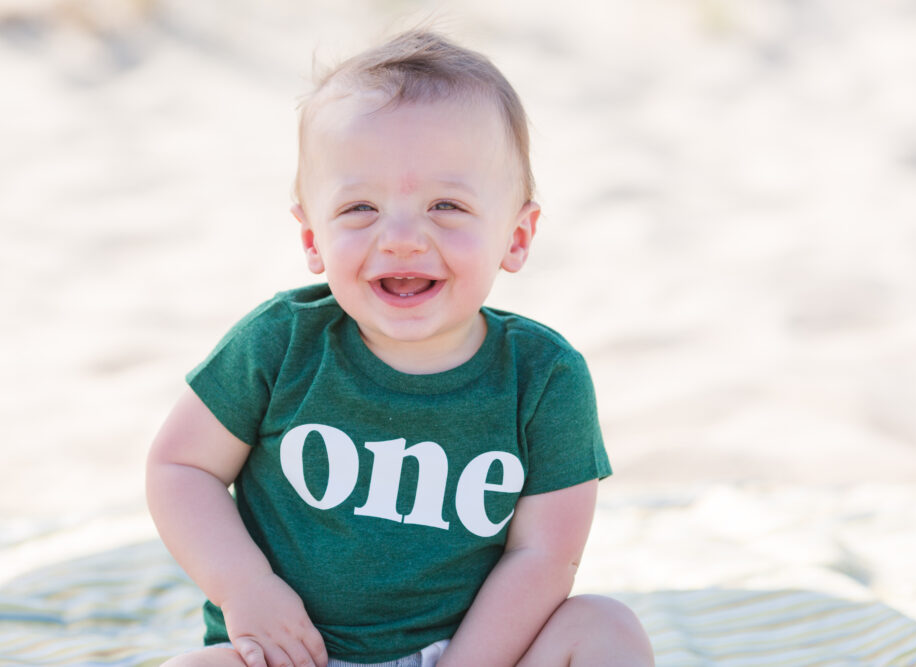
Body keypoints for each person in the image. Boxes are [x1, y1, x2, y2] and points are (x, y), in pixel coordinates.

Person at [146, 29, 654, 667]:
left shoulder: (543, 376)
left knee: (605, 627)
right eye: (361, 207)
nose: (403, 238)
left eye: (446, 205)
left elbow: (544, 556)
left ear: (516, 236)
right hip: (292, 653)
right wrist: (246, 587)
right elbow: (181, 468)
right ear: (312, 239)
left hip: (468, 653)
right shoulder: (280, 343)